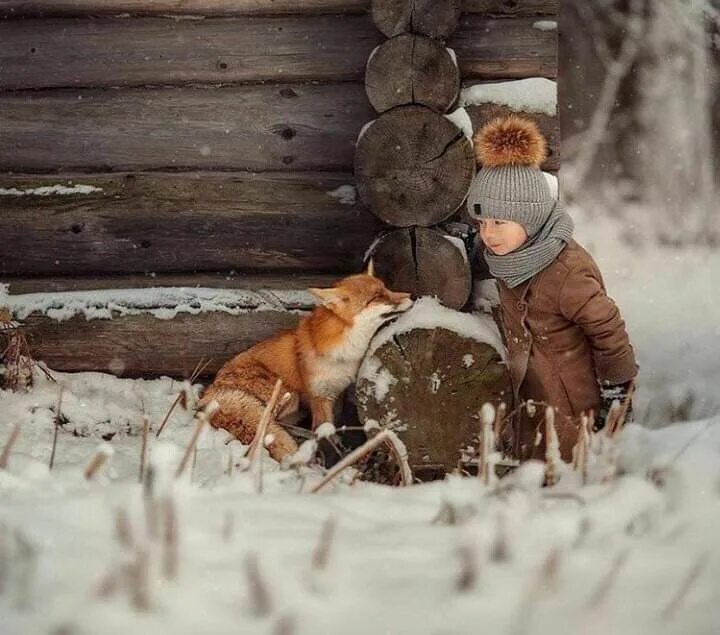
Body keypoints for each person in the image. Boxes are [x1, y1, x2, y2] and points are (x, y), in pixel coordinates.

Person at [465, 115, 638, 461]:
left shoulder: (565, 272)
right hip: (533, 403)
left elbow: (609, 331)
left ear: (530, 219)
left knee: (570, 477)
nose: (489, 233)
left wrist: (618, 395)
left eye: (499, 222)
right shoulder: (508, 254)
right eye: (482, 222)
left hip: (575, 406)